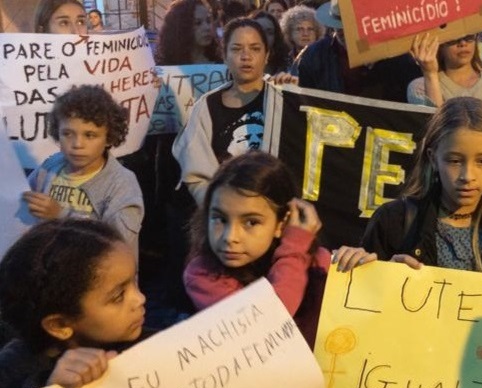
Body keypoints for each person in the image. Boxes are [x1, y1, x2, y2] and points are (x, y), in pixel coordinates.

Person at [183, 152, 330, 388]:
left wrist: (377, 269)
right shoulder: (204, 275)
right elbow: (272, 316)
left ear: (283, 222)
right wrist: (295, 247)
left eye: (250, 222)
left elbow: (355, 302)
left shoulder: (315, 262)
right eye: (219, 219)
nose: (229, 237)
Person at [334, 97, 482, 281]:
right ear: (433, 158)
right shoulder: (393, 220)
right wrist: (374, 272)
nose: (467, 176)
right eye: (454, 161)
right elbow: (364, 303)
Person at [0, 219, 145, 388]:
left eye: (135, 280)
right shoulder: (11, 374)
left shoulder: (149, 343)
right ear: (60, 325)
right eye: (118, 296)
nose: (140, 299)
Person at [173, 18, 298, 204]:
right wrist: (220, 210)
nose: (246, 56)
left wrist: (296, 98)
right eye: (237, 49)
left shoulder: (283, 97)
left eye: (255, 49)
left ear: (266, 55)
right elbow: (196, 176)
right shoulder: (207, 106)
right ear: (224, 55)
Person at [23, 85, 144, 261]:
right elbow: (21, 201)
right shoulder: (49, 167)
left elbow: (118, 243)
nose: (77, 144)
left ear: (109, 137)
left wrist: (62, 215)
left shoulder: (122, 183)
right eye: (67, 134)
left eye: (90, 135)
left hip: (97, 281)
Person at [407, 33, 482, 114]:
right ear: (439, 44)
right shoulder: (420, 87)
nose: (463, 43)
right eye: (454, 38)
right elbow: (435, 130)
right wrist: (430, 75)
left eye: (469, 37)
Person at [155, 0, 221, 65]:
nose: (207, 27)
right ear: (182, 27)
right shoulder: (166, 66)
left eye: (208, 21)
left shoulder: (222, 61)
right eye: (198, 23)